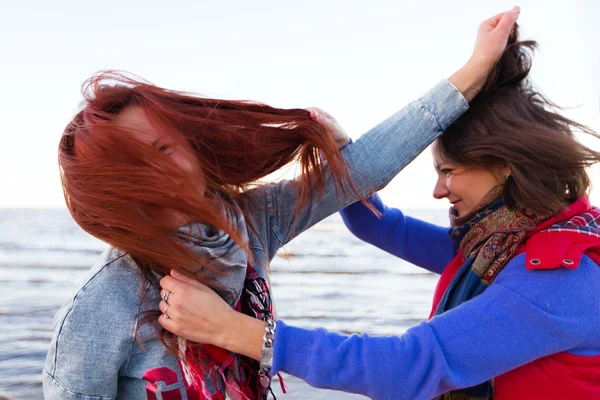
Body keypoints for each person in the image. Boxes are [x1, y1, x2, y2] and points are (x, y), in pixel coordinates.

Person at [42, 8, 518, 399]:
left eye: (170, 144)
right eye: (146, 161)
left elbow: (366, 169)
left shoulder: (250, 221)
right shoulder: (103, 303)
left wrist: (473, 72)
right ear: (116, 189)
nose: (176, 163)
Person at [157, 13, 600, 400]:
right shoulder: (501, 244)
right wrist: (347, 156)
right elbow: (383, 227)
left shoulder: (558, 278)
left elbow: (410, 366)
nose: (437, 192)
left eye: (449, 172)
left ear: (504, 166)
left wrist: (232, 331)